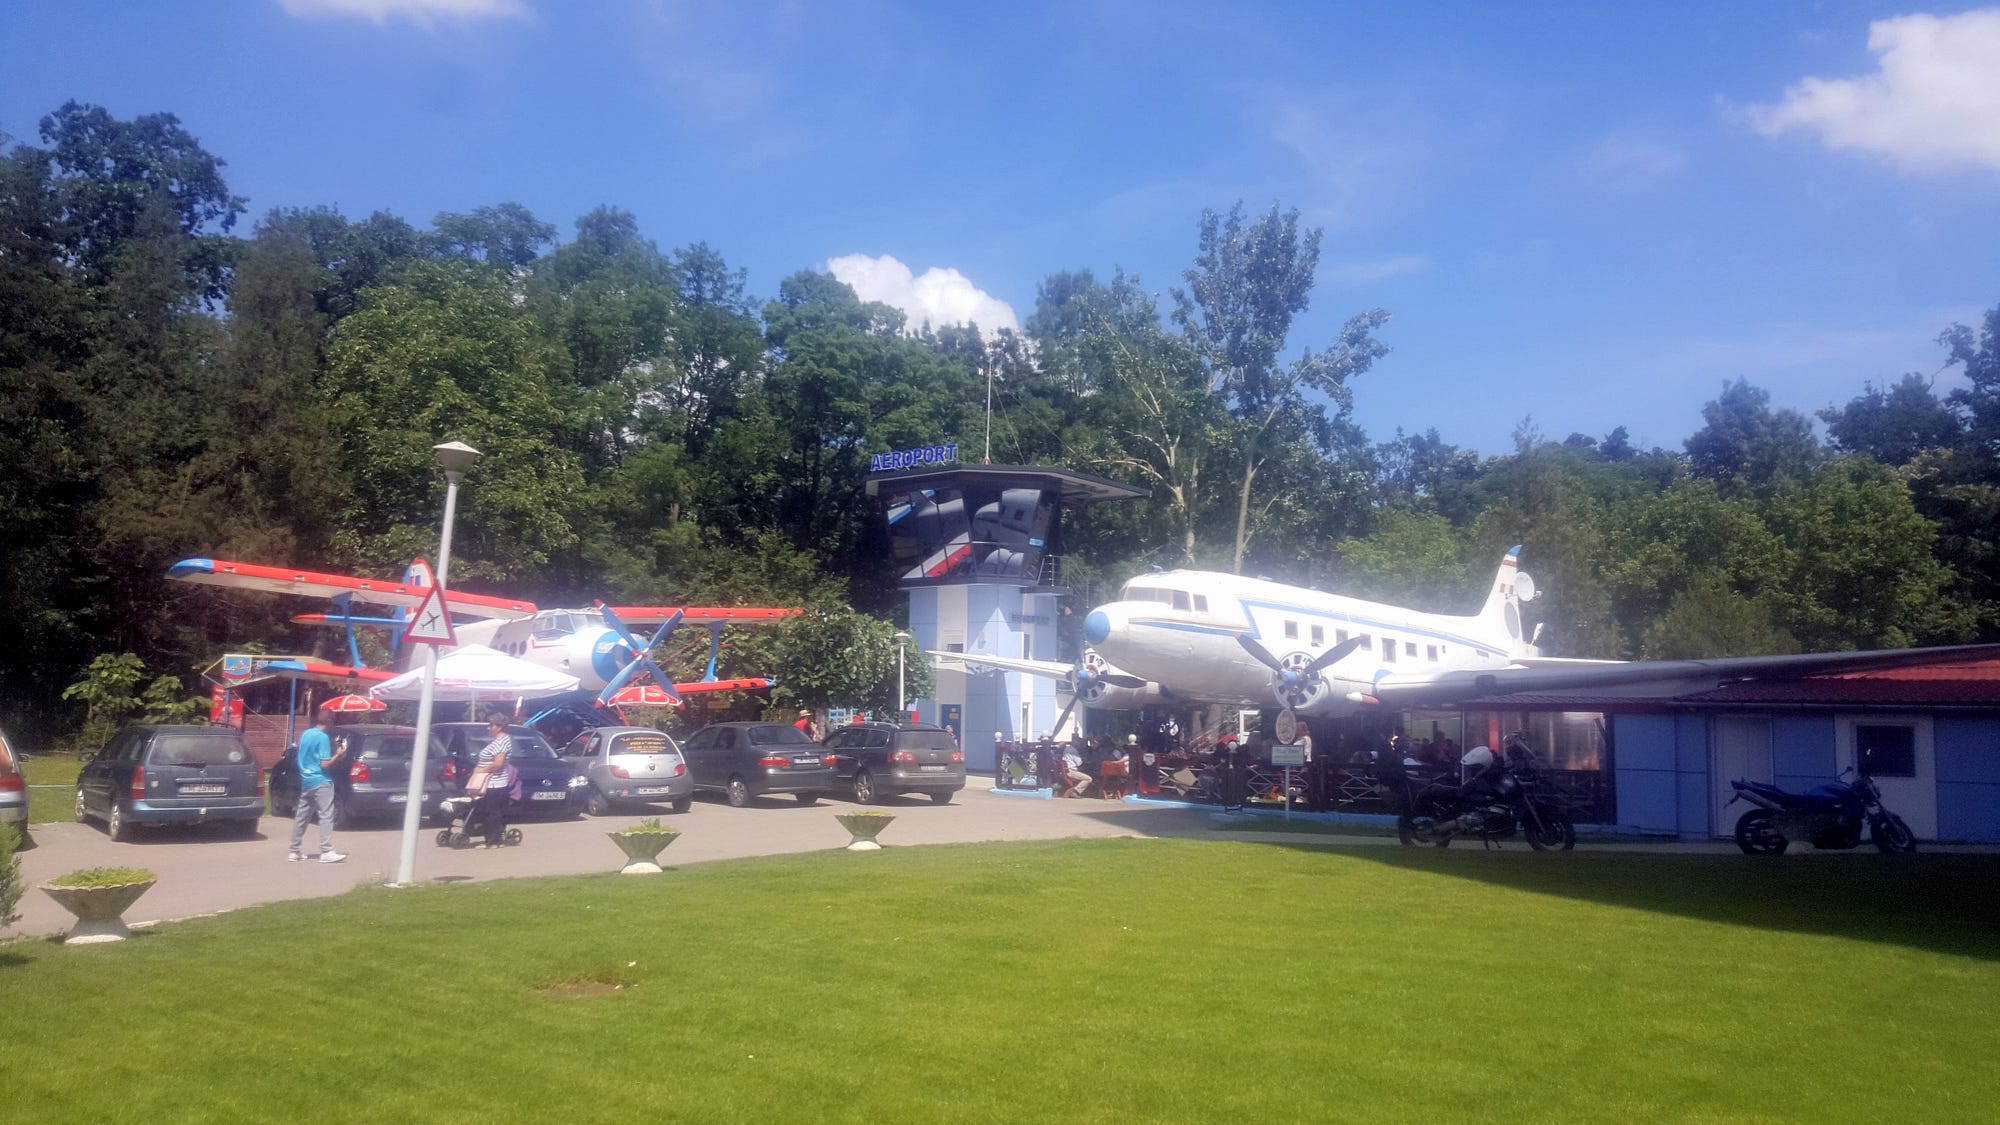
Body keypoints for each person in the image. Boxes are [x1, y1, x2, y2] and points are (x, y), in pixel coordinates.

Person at [288, 714, 348, 863]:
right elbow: (324, 764)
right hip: (321, 780)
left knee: (302, 816)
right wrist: (338, 754)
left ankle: (294, 851)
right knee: (326, 815)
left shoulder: (306, 734)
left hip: (306, 780)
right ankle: (326, 851)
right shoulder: (323, 738)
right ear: (329, 721)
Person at [468, 712, 517, 849]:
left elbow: (498, 764)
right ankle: (495, 839)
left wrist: (481, 770)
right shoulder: (499, 741)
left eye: (491, 725)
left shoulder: (501, 742)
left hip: (495, 784)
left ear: (499, 727)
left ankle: (492, 841)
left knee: (491, 813)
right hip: (491, 782)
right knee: (490, 811)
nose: (488, 728)